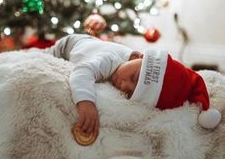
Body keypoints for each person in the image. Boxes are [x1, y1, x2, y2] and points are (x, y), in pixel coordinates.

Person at [42, 34, 221, 133]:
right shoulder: (108, 59)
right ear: (137, 56)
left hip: (91, 44)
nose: (125, 85)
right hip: (70, 45)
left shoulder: (130, 68)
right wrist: (86, 102)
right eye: (134, 77)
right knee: (39, 56)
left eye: (130, 93)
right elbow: (81, 72)